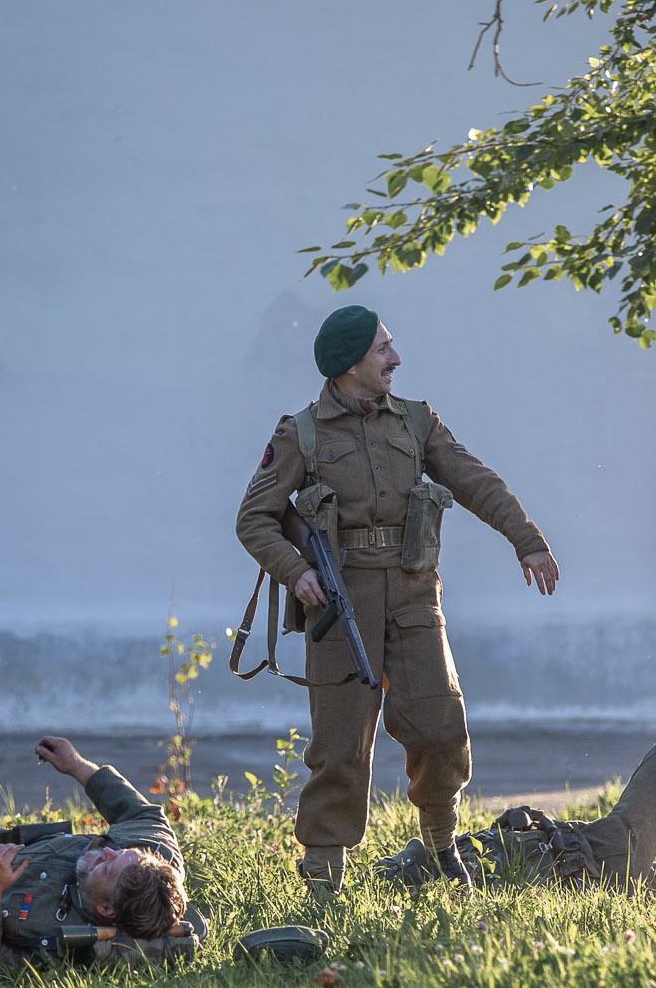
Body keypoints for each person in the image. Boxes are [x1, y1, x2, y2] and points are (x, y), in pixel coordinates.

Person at [237, 304, 560, 897]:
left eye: (391, 346)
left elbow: (473, 480)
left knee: (440, 728)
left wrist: (528, 541)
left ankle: (441, 850)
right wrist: (297, 572)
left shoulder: (415, 421)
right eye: (383, 349)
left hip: (413, 593)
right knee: (338, 746)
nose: (396, 358)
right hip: (339, 602)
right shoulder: (301, 434)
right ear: (349, 363)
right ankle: (323, 884)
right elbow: (254, 519)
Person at [0, 737, 188, 968]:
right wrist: (76, 765)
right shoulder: (154, 855)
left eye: (107, 869)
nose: (108, 853)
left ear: (106, 909)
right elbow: (143, 814)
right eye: (121, 852)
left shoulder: (68, 944)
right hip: (14, 850)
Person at [373, 735, 656, 892]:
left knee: (652, 878)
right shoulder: (449, 871)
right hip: (603, 854)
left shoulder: (462, 861)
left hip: (591, 849)